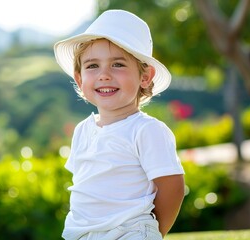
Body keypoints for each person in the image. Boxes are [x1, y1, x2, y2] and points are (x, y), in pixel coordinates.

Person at [53, 9, 185, 240]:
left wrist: (152, 232)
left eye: (118, 65)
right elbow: (87, 188)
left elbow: (172, 187)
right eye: (92, 66)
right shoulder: (83, 130)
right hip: (81, 233)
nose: (104, 75)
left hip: (130, 232)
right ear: (79, 78)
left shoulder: (146, 130)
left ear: (145, 77)